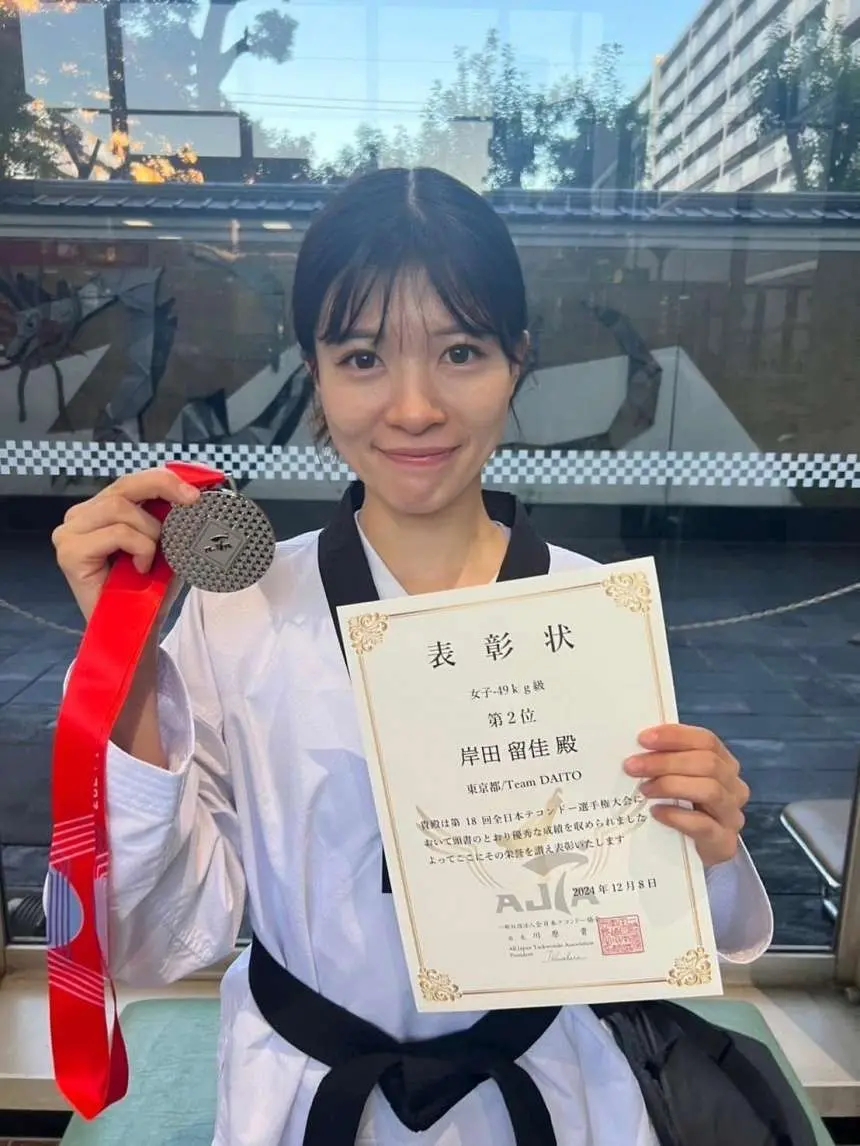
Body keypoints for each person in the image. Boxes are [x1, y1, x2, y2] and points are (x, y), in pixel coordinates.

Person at [51, 166, 773, 1146]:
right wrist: (128, 660)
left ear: (516, 361)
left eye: (460, 351)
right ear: (314, 372)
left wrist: (707, 834)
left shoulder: (588, 611)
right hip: (304, 1095)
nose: (414, 407)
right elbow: (157, 931)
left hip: (546, 1090)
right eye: (361, 358)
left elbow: (664, 916)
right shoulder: (238, 614)